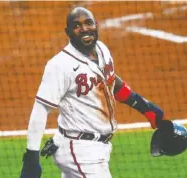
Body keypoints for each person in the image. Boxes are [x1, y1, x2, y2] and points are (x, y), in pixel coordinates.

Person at [20, 6, 167, 178]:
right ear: (68, 32)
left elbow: (110, 81)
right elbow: (40, 109)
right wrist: (31, 156)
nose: (84, 29)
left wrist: (143, 106)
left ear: (96, 25)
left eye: (88, 23)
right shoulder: (59, 66)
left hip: (96, 148)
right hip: (81, 152)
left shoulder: (102, 50)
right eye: (77, 26)